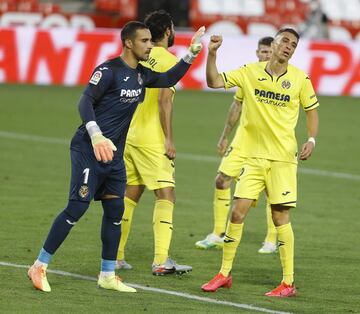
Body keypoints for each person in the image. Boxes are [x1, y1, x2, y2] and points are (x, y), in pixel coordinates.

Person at [27, 21, 205, 293]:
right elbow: (85, 101)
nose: (150, 45)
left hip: (114, 156)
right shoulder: (108, 71)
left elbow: (169, 78)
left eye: (150, 40)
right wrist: (96, 134)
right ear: (129, 43)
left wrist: (191, 54)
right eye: (144, 41)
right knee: (77, 207)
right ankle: (39, 265)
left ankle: (108, 274)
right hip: (89, 148)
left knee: (115, 211)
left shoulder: (141, 75)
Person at [201, 28, 319, 297]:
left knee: (280, 217)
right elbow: (214, 81)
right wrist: (212, 53)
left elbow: (311, 110)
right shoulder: (250, 71)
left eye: (293, 44)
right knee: (237, 212)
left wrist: (311, 139)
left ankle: (288, 283)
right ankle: (224, 273)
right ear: (273, 44)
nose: (288, 47)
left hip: (282, 159)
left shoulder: (300, 79)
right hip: (252, 158)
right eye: (284, 41)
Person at [115, 10, 192, 276]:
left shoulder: (138, 57)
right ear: (168, 31)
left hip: (129, 135)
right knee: (166, 194)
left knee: (130, 194)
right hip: (151, 139)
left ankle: (116, 256)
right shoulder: (168, 60)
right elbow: (164, 101)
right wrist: (168, 137)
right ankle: (161, 260)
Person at [195, 37, 278, 254]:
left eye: (269, 52)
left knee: (272, 189)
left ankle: (271, 239)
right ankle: (218, 234)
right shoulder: (250, 75)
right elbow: (236, 105)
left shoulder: (282, 78)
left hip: (269, 144)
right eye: (263, 52)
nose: (265, 56)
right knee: (221, 181)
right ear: (257, 53)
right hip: (243, 141)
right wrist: (224, 136)